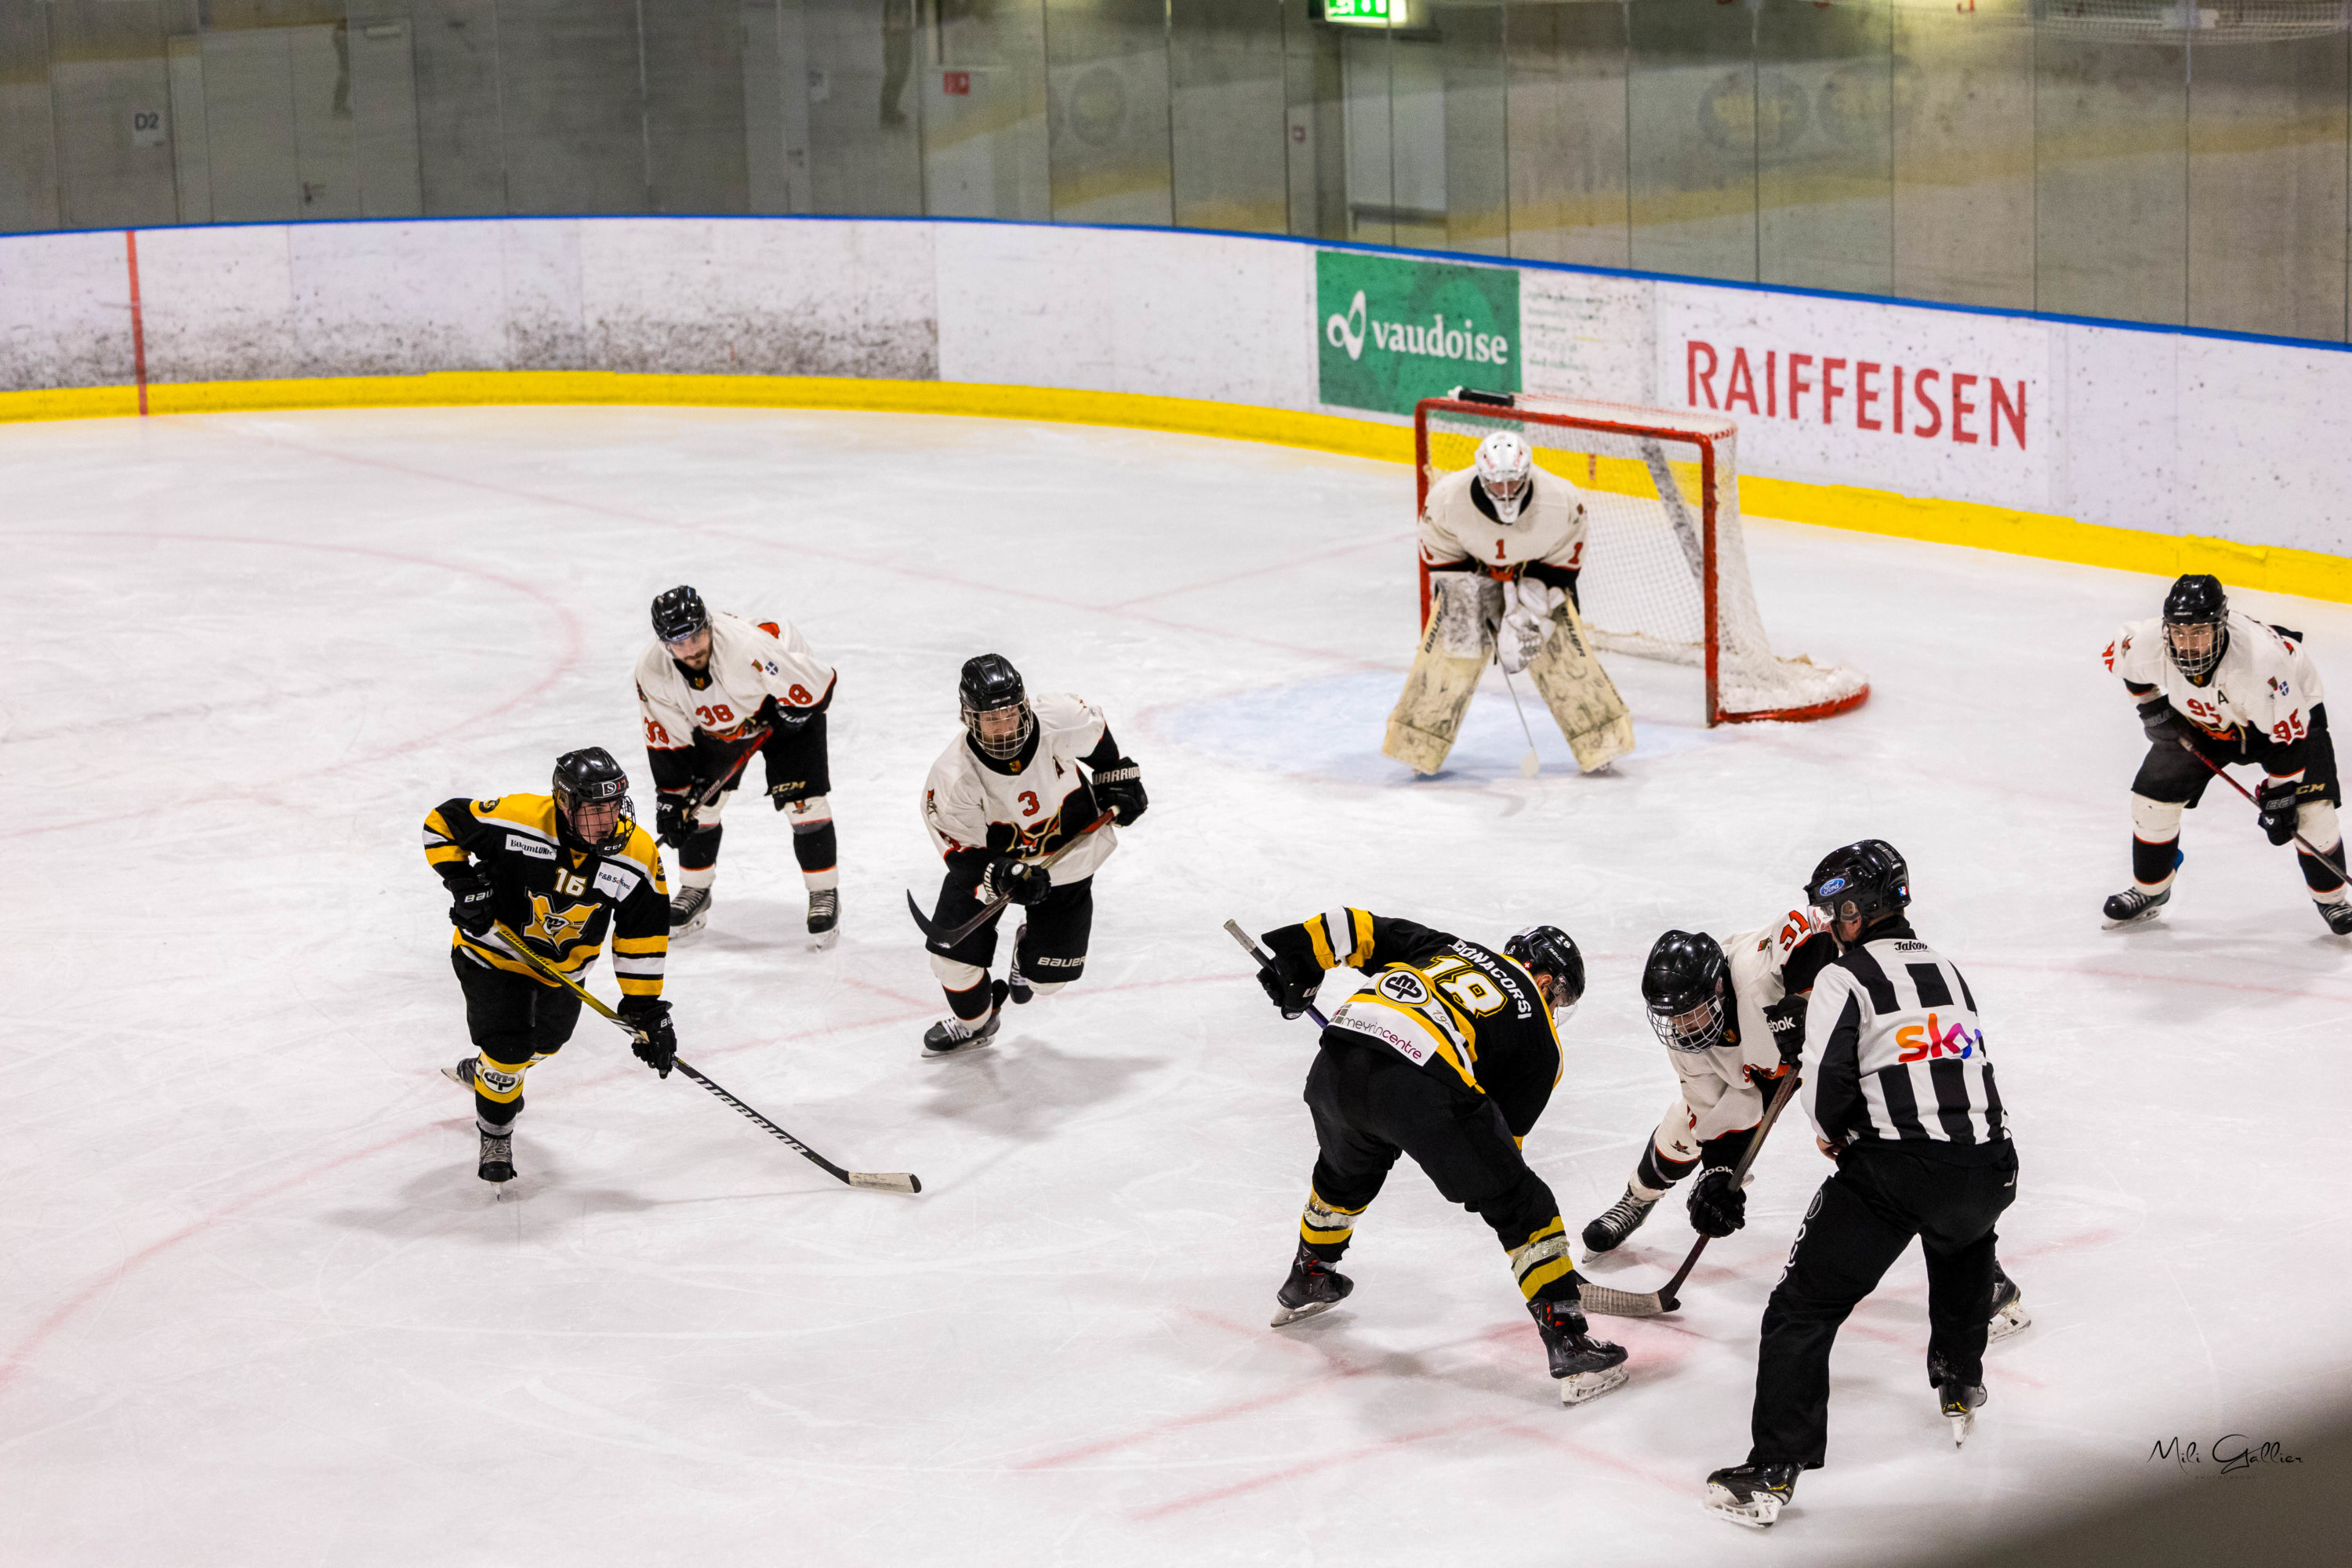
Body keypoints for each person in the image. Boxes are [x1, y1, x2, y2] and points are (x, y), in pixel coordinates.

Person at [1704, 840, 2019, 1528]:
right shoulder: (1946, 967)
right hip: (1993, 1167)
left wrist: (1838, 1135)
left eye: (1835, 909)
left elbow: (1827, 1092)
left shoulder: (1844, 978)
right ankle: (1961, 1379)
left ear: (1859, 908)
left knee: (1801, 1310)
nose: (1828, 922)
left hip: (1898, 1171)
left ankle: (1773, 1469)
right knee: (1961, 1239)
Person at [1581, 917, 2028, 1345]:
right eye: (1672, 1019)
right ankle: (1638, 1197)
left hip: (1839, 1049)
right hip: (1761, 1069)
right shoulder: (1687, 1043)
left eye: (1691, 1015)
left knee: (1895, 1152)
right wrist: (1718, 1177)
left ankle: (1982, 1276)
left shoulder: (1756, 968)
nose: (1682, 1030)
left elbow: (1818, 927)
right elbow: (1715, 1117)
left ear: (1719, 988)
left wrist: (1806, 1001)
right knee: (1683, 1127)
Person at [1250, 909, 1628, 1406]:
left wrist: (1297, 962)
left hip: (1336, 1061)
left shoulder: (1446, 946)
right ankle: (1569, 1340)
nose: (1555, 1009)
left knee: (1345, 1174)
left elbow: (1351, 926)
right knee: (1522, 1203)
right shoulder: (1542, 1040)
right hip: (1418, 1083)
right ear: (1545, 980)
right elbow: (1501, 1151)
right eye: (1559, 997)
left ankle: (1309, 1275)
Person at [423, 747, 677, 1184]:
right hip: (493, 954)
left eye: (614, 806)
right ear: (564, 802)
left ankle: (488, 1076)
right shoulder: (518, 819)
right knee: (509, 1049)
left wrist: (645, 1007)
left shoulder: (636, 854)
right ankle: (496, 1131)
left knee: (547, 1042)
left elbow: (643, 933)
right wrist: (464, 886)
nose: (608, 820)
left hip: (564, 973)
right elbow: (443, 822)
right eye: (595, 810)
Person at [916, 654, 1147, 1054]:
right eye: (991, 718)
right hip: (996, 867)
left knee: (1048, 982)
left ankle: (1027, 951)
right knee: (951, 963)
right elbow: (963, 855)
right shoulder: (953, 778)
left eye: (1010, 713)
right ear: (969, 718)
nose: (1004, 726)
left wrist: (1119, 782)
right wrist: (1004, 874)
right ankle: (975, 1024)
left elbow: (1102, 748)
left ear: (1024, 705)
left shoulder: (1061, 718)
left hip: (1068, 862)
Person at [2100, 573, 2349, 934]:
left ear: (2220, 627)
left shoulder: (2262, 665)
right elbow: (2129, 668)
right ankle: (2151, 889)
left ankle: (2334, 900)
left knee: (2313, 815)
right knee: (2151, 804)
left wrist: (2280, 795)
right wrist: (2152, 709)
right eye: (2179, 633)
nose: (2188, 644)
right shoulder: (2146, 642)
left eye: (2200, 633)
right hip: (2204, 723)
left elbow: (2291, 742)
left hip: (2288, 722)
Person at [1384, 430, 1632, 775]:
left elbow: (1566, 558)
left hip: (1538, 578)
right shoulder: (1446, 499)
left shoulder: (1561, 499)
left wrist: (1535, 605)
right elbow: (1439, 553)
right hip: (1471, 575)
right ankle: (1418, 745)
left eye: (1513, 482)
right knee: (1451, 657)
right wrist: (1473, 597)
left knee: (1563, 656)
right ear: (1482, 477)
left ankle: (1601, 743)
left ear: (1527, 474)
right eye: (1496, 484)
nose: (1505, 492)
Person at [634, 585, 841, 946]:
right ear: (664, 644)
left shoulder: (746, 648)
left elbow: (818, 685)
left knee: (804, 803)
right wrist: (670, 799)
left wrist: (794, 713)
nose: (691, 649)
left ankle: (824, 892)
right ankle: (695, 888)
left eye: (696, 635)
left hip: (778, 701)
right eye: (678, 642)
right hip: (719, 723)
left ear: (708, 625)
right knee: (697, 805)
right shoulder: (653, 672)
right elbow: (667, 737)